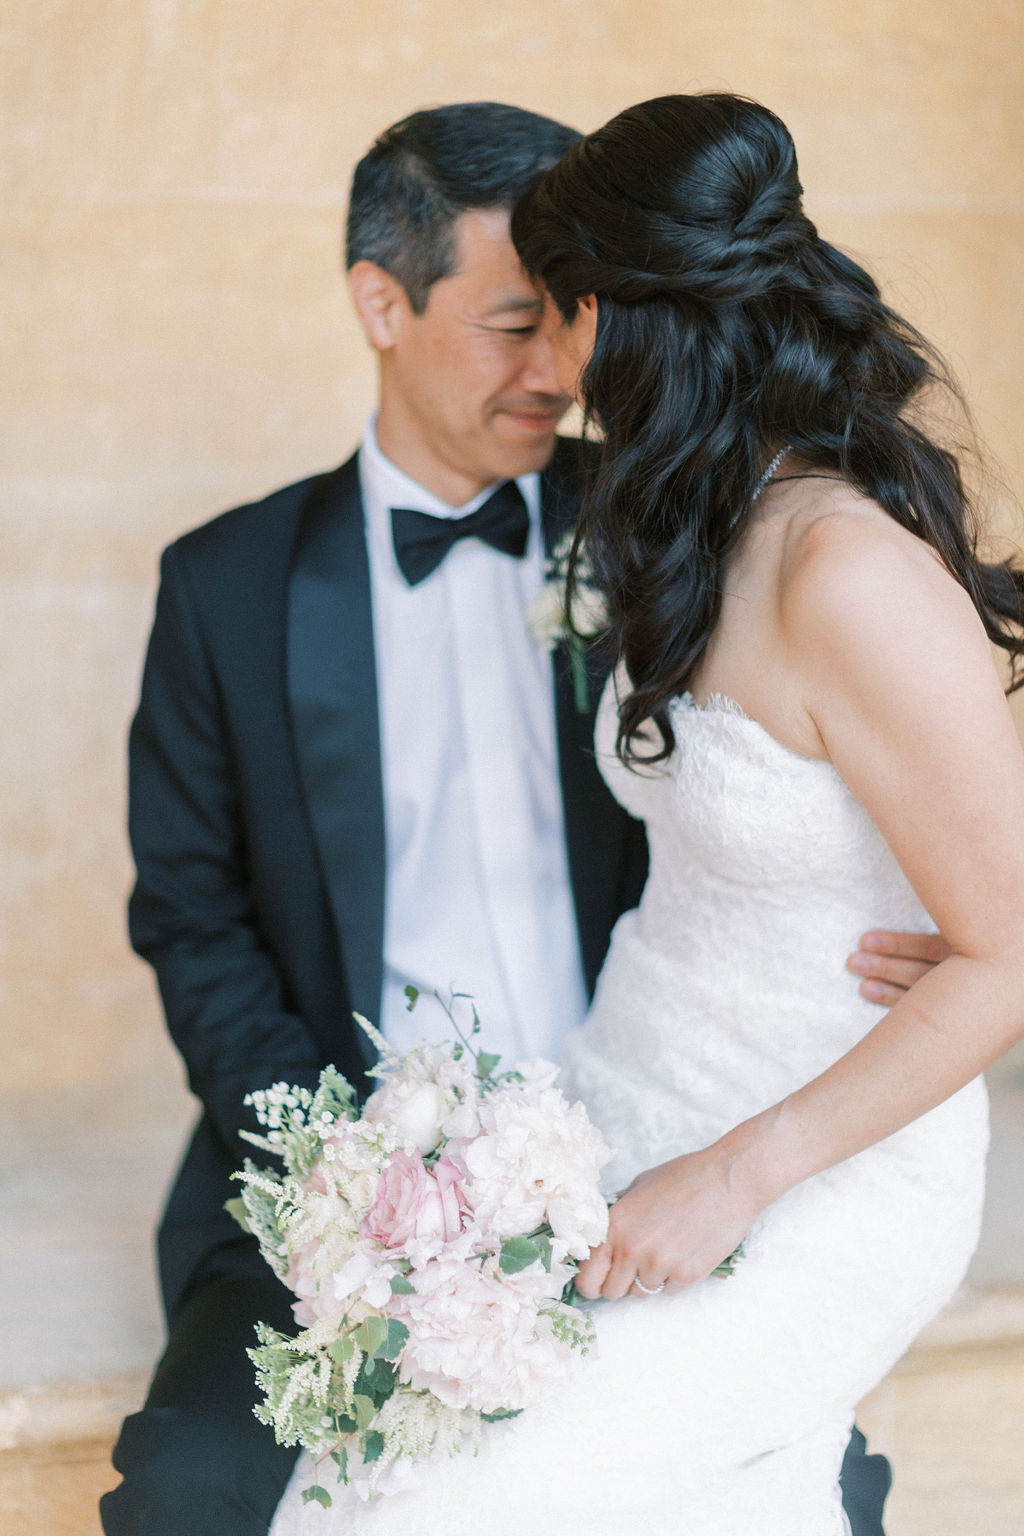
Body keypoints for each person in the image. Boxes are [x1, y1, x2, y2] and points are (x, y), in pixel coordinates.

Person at [102, 101, 935, 1536]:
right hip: (337, 1186)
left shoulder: (670, 530)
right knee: (189, 1496)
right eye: (509, 324)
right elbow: (190, 916)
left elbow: (821, 772)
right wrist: (350, 1179)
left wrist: (911, 925)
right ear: (381, 300)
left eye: (574, 320)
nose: (561, 371)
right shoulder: (224, 589)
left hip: (643, 1151)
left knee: (800, 1490)